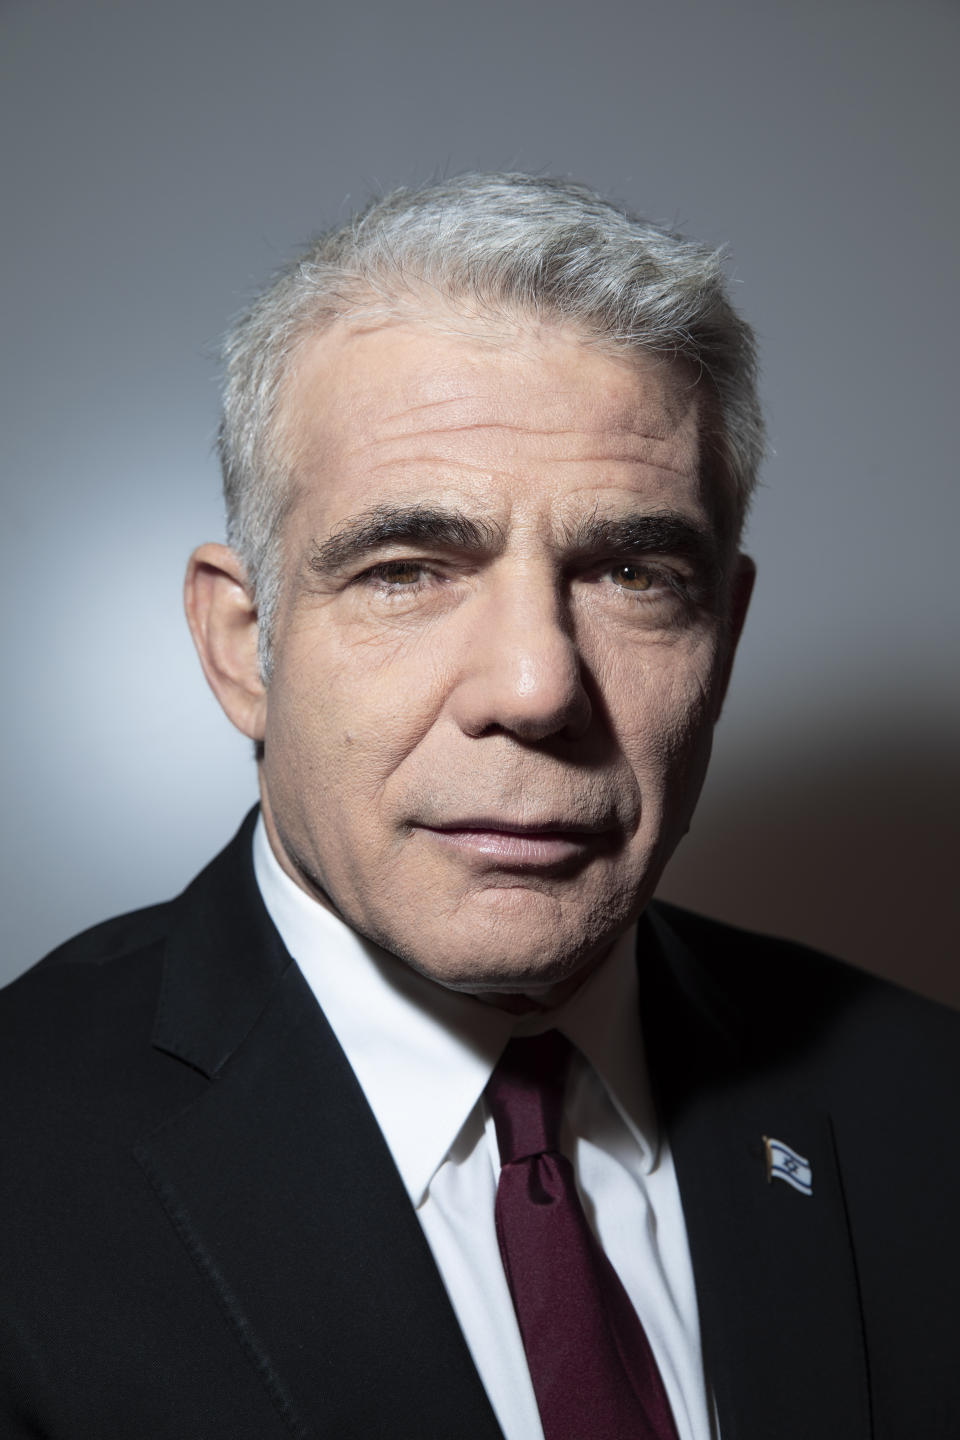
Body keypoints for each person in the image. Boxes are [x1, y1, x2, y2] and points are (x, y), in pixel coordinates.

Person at [1, 173, 957, 1440]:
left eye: (631, 573)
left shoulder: (928, 1106)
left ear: (722, 642)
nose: (535, 685)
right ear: (244, 647)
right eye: (408, 572)